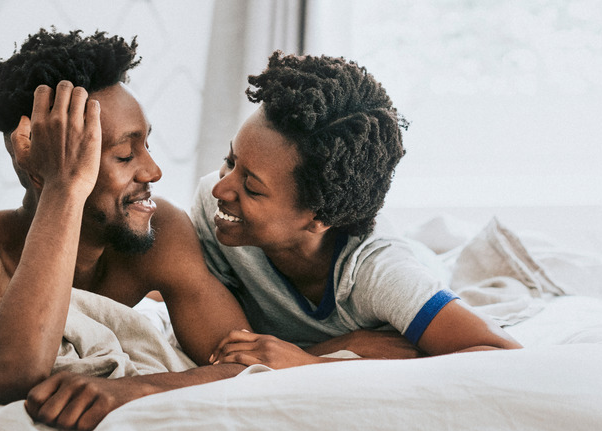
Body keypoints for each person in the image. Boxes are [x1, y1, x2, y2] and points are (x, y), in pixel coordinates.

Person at [0, 28, 252, 431]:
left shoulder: (162, 230)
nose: (153, 171)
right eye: (125, 155)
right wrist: (62, 185)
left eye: (146, 146)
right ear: (33, 159)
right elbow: (12, 373)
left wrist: (137, 389)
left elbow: (247, 362)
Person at [191, 51, 522, 369]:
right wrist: (340, 346)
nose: (221, 188)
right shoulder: (213, 207)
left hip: (418, 264)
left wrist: (312, 364)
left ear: (319, 217)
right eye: (230, 161)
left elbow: (503, 355)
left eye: (251, 187)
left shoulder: (381, 275)